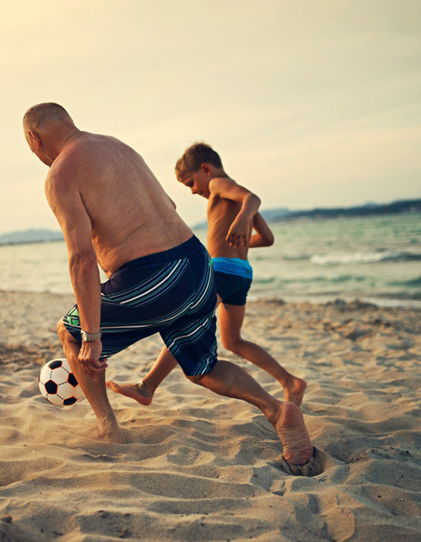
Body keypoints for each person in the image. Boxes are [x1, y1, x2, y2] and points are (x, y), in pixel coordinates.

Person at [22, 103, 314, 469]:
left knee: (72, 333)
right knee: (202, 368)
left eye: (31, 147)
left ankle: (108, 429)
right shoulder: (119, 147)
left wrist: (93, 337)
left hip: (152, 276)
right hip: (197, 265)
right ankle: (277, 409)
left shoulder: (60, 173)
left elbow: (80, 258)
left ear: (34, 139)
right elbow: (170, 203)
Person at [108, 142, 307, 407]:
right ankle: (289, 381)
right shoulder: (233, 196)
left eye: (191, 182)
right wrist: (240, 235)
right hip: (241, 275)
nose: (193, 191)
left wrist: (242, 219)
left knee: (185, 322)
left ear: (205, 169)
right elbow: (268, 239)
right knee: (233, 341)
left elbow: (253, 199)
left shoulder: (219, 184)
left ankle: (147, 387)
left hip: (222, 271)